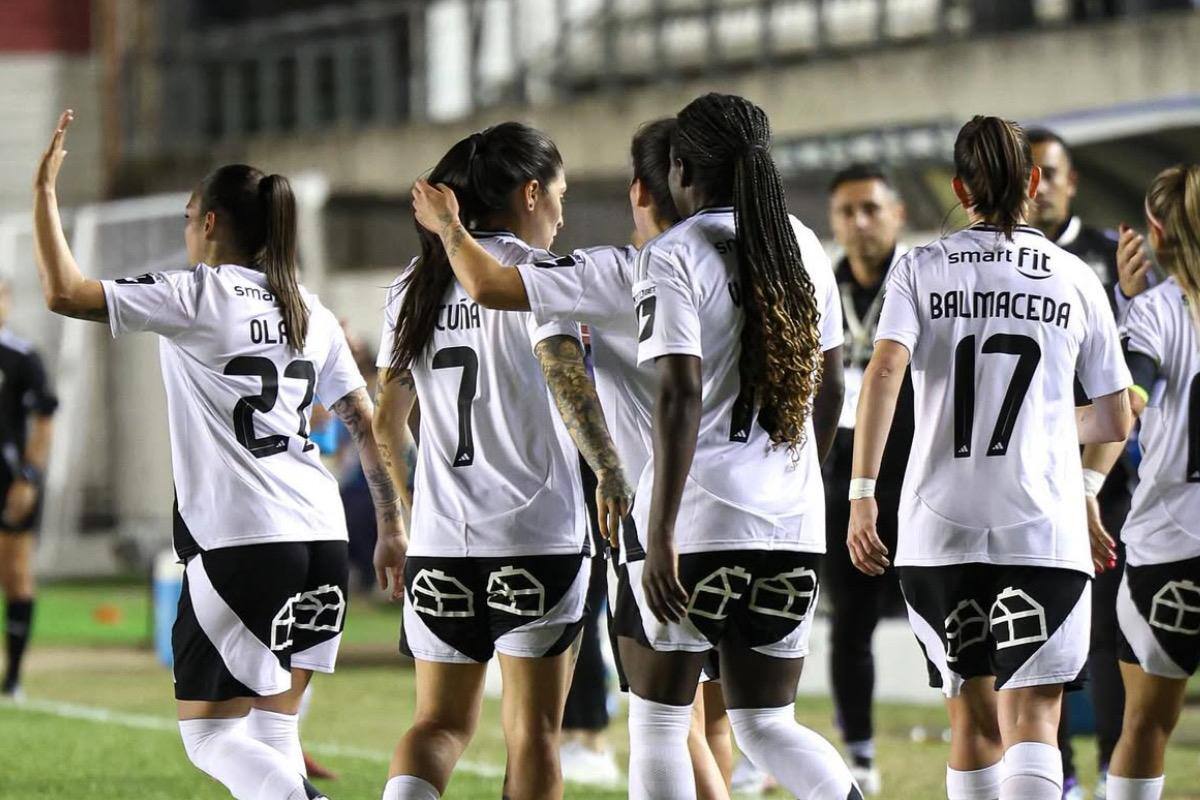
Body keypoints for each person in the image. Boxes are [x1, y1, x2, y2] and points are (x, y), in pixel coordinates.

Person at [33, 110, 406, 800]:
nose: (185, 229)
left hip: (242, 541)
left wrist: (44, 196)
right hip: (322, 535)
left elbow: (63, 292)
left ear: (209, 223)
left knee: (208, 737)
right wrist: (392, 527)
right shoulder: (311, 311)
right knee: (272, 729)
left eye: (187, 216)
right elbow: (368, 423)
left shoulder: (196, 295)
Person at [411, 117, 740, 800]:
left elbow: (506, 298)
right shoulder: (756, 263)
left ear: (643, 194)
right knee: (716, 723)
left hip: (660, 521)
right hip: (753, 513)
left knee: (666, 725)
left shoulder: (621, 272)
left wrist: (448, 228)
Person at [848, 115, 1133, 800]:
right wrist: (1046, 428)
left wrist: (863, 491)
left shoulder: (920, 265)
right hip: (1041, 525)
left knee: (970, 720)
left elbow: (884, 372)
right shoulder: (1074, 277)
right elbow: (1117, 416)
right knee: (1033, 714)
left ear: (958, 188)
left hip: (936, 528)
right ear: (1033, 182)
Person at [374, 121, 630, 800]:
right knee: (534, 733)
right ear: (530, 193)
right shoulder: (539, 275)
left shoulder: (412, 286)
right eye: (560, 197)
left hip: (441, 542)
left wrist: (410, 513)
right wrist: (608, 469)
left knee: (435, 725)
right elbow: (566, 375)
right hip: (535, 539)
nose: (562, 214)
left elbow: (385, 422)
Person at [624, 92, 850, 800]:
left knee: (659, 724)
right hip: (792, 523)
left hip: (701, 526)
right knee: (766, 723)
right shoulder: (804, 244)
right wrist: (797, 478)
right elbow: (834, 384)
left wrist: (658, 532)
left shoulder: (673, 252)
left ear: (681, 169)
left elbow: (680, 394)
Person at [1026, 126, 1139, 799]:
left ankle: (1111, 769)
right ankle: (1061, 772)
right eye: (1029, 173)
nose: (1039, 185)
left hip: (1107, 476)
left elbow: (1135, 377)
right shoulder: (1000, 259)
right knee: (1043, 630)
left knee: (1107, 633)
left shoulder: (1104, 259)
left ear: (1071, 181)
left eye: (1051, 172)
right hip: (1029, 478)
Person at [1099, 163, 1200, 800]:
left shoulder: (1156, 312)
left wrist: (1083, 486)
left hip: (1171, 554)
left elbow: (1129, 398)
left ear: (1155, 233)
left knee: (1145, 725)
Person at [822, 162, 912, 796]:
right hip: (841, 478)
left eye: (871, 209)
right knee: (850, 623)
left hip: (918, 473)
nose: (859, 223)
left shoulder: (921, 281)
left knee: (946, 618)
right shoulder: (822, 285)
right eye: (848, 212)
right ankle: (859, 753)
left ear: (898, 214)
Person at [0, 278, 57, 699]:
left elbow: (43, 420)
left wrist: (30, 478)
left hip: (9, 481)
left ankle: (14, 678)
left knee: (16, 574)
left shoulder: (21, 357)